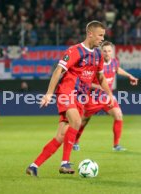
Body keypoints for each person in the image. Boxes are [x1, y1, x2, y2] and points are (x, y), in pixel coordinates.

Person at [26, 21, 115, 177]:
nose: (102, 38)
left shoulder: (98, 55)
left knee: (61, 136)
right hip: (66, 93)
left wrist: (110, 95)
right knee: (76, 121)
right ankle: (64, 163)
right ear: (90, 34)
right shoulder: (75, 51)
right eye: (100, 35)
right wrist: (48, 93)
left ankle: (34, 166)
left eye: (103, 35)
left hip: (80, 98)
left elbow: (100, 77)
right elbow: (58, 71)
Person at [73, 41, 138, 152]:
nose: (107, 53)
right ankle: (75, 142)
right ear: (101, 52)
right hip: (92, 98)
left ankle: (116, 145)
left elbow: (117, 69)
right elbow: (85, 81)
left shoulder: (114, 62)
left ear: (112, 52)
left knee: (118, 115)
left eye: (109, 51)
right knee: (83, 121)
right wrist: (98, 86)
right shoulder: (95, 65)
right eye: (105, 51)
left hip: (106, 97)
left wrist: (129, 75)